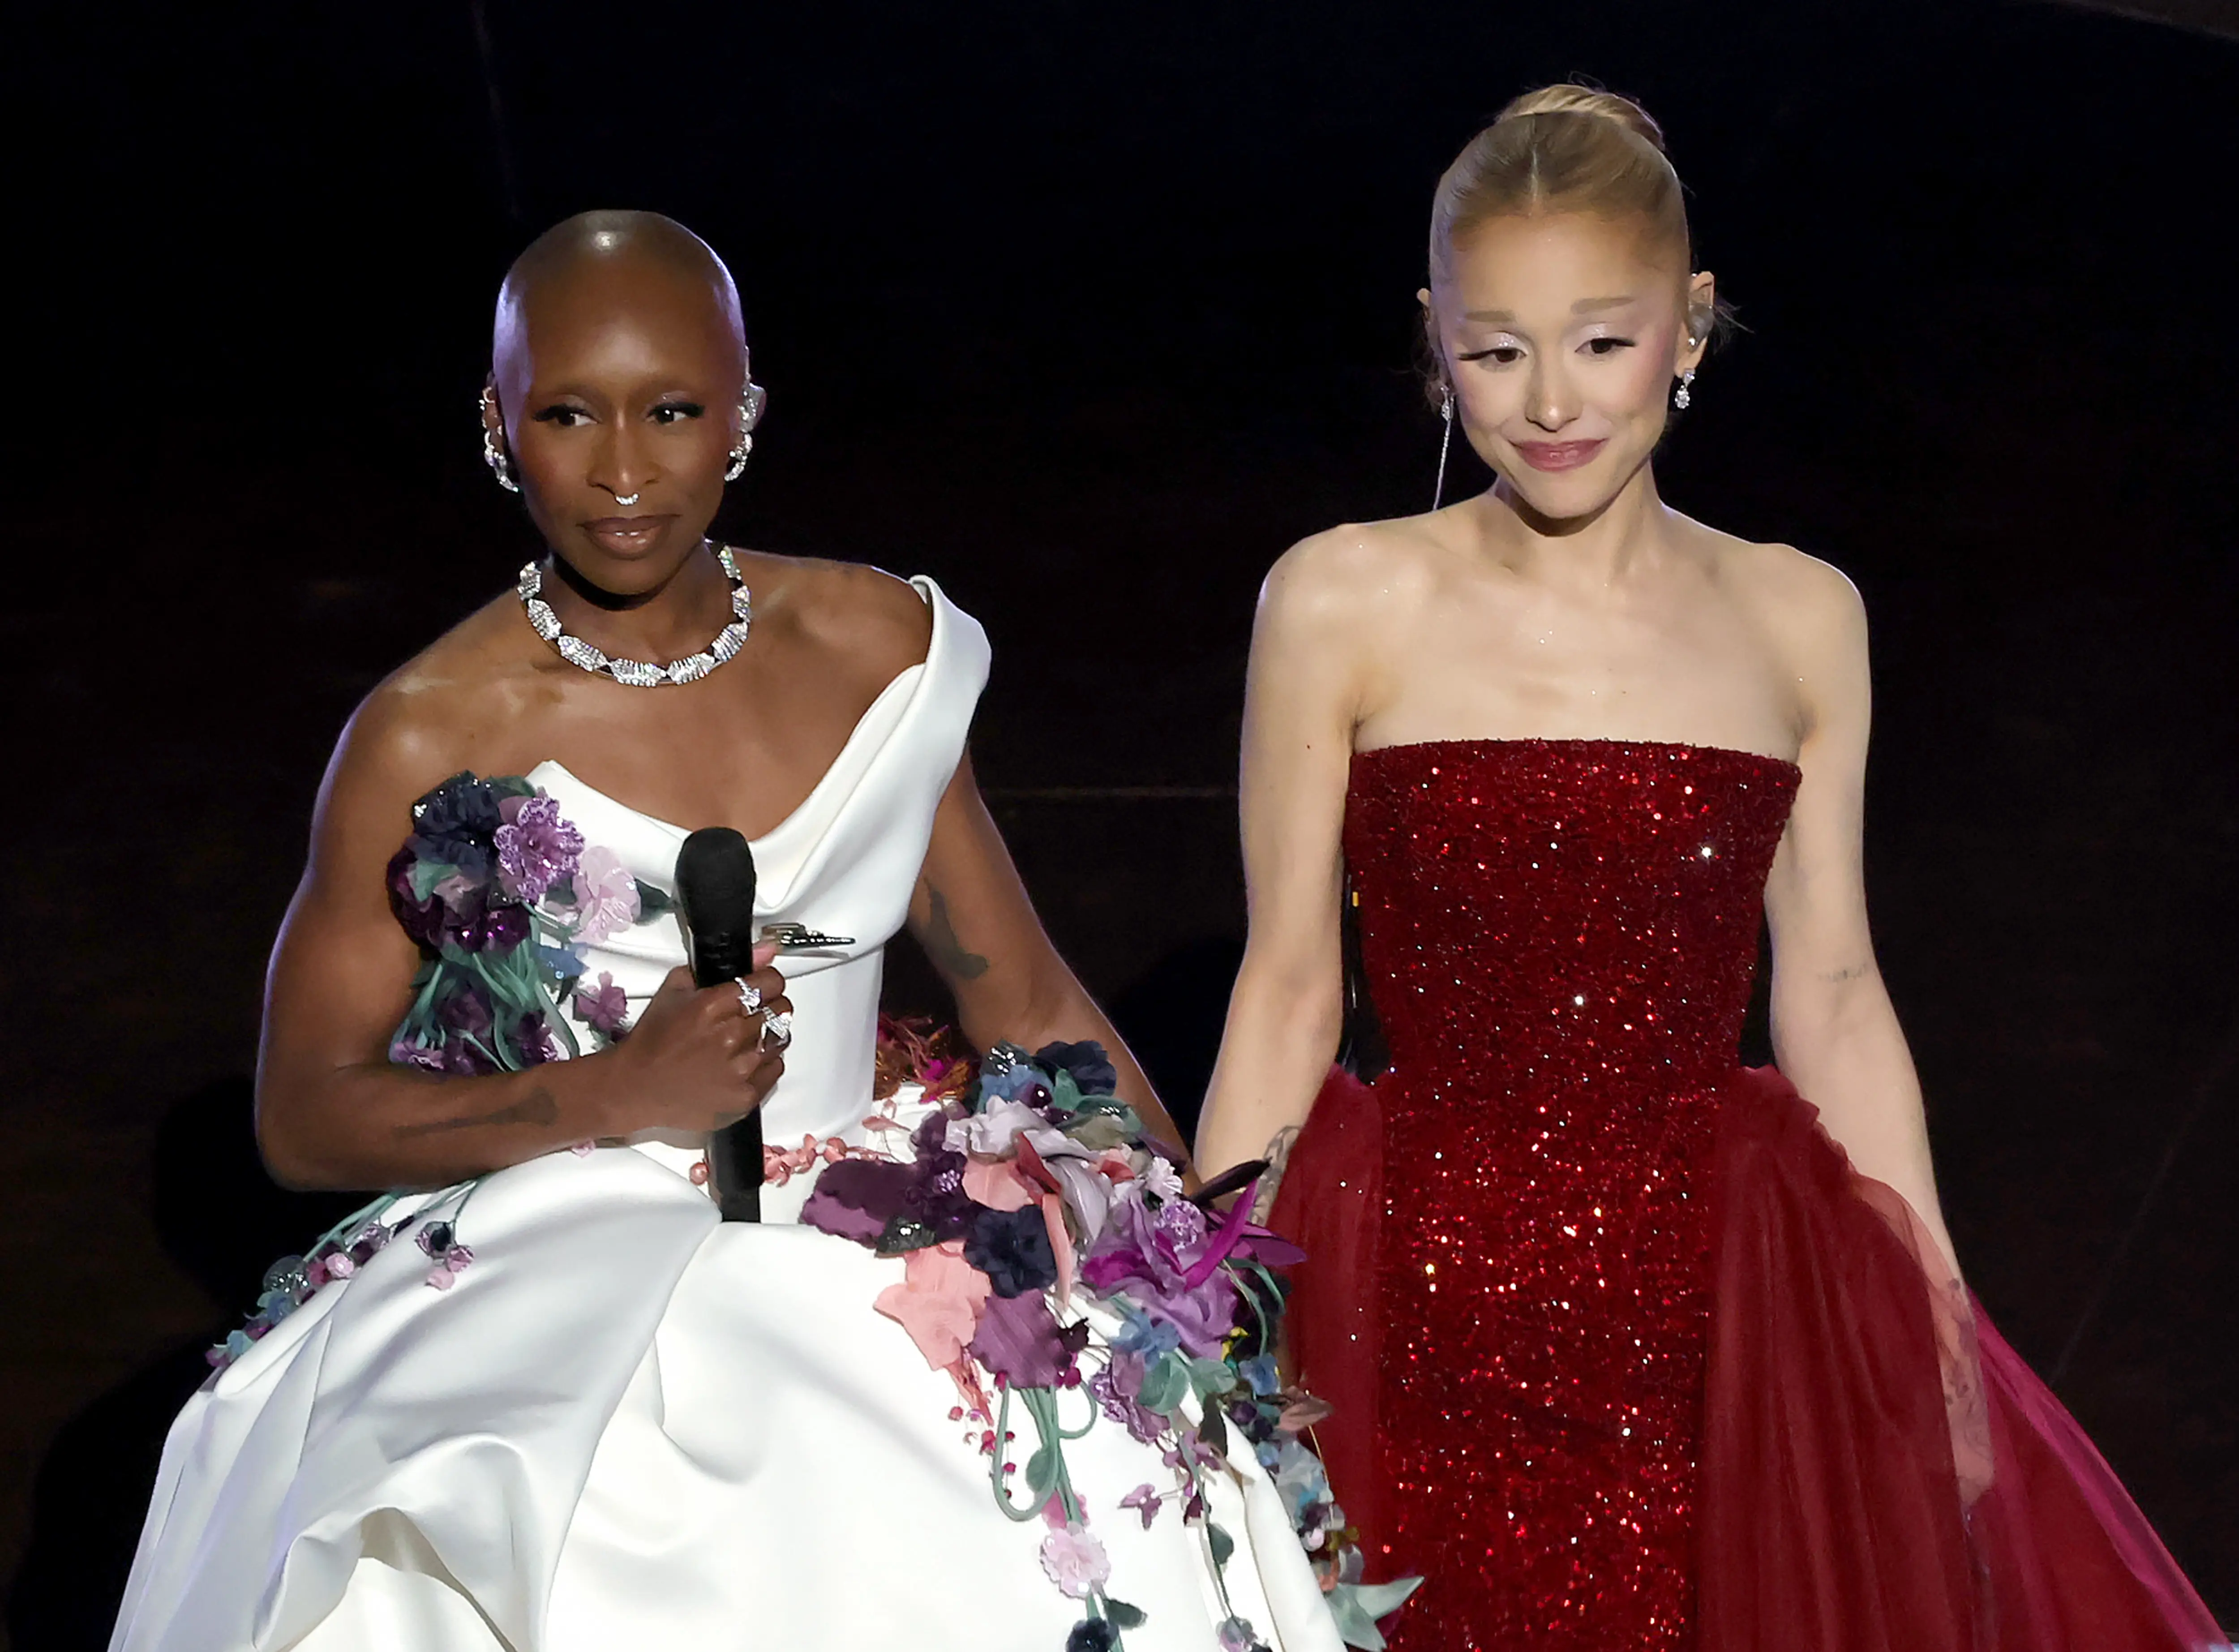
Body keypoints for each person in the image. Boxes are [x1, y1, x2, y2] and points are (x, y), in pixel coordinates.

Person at [111, 211, 1337, 1652]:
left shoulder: (881, 650)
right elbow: (304, 1116)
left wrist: (1192, 1251)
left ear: (744, 416)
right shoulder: (428, 730)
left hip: (880, 1222)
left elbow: (1023, 994)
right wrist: (616, 1092)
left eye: (674, 412)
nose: (623, 472)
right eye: (569, 415)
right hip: (560, 1239)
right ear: (499, 428)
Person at [1192, 86, 2225, 1652]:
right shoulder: (1341, 600)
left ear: (1690, 324)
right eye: (1497, 351)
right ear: (1435, 341)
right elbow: (1285, 986)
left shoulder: (1800, 615)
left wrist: (1937, 1324)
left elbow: (1834, 986)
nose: (1552, 400)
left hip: (1723, 1314)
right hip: (1412, 1290)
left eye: (1602, 342)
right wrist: (1199, 1310)